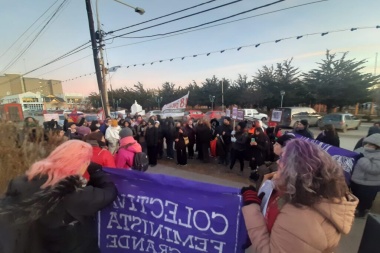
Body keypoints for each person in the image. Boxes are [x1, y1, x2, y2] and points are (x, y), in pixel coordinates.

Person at [241, 139, 358, 253]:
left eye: (282, 159)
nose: (278, 162)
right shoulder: (313, 194)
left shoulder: (300, 218)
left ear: (297, 170)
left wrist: (252, 207)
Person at [0, 140, 117, 253]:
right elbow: (109, 192)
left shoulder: (22, 182)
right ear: (81, 164)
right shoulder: (72, 194)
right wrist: (96, 171)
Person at [351, 133, 380, 217]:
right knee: (356, 196)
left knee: (365, 199)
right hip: (355, 180)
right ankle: (356, 209)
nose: (368, 145)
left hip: (369, 184)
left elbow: (374, 169)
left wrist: (361, 159)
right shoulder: (360, 150)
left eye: (371, 144)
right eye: (367, 143)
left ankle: (362, 212)